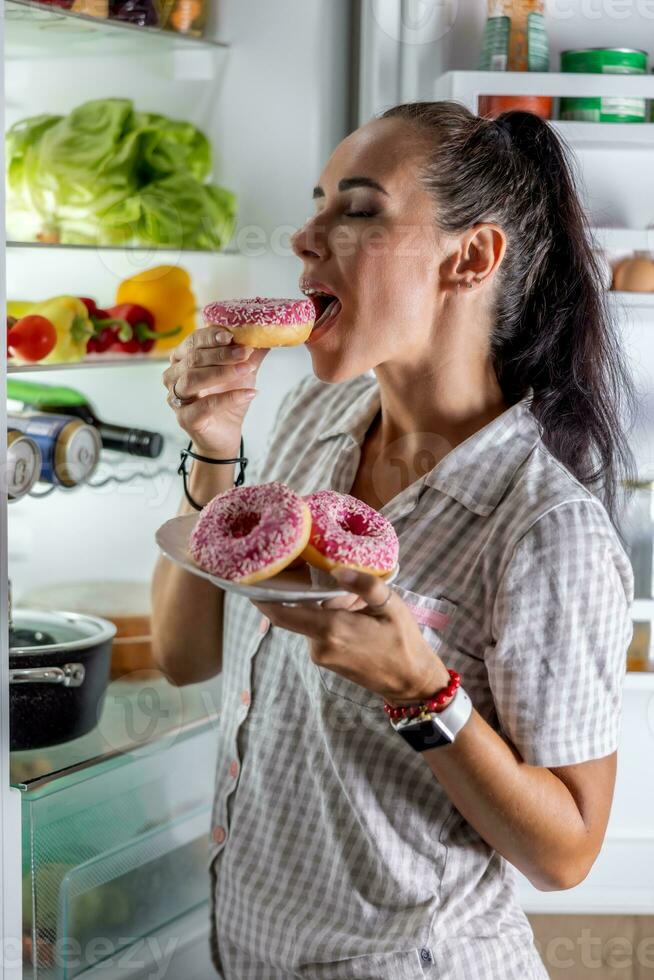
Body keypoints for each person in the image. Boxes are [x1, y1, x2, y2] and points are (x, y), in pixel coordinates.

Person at [152, 102, 635, 980]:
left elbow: (565, 854)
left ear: (473, 257)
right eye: (316, 203)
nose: (304, 236)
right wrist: (215, 446)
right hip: (248, 956)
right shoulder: (313, 417)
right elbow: (185, 655)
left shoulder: (542, 527)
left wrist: (420, 687)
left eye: (360, 209)